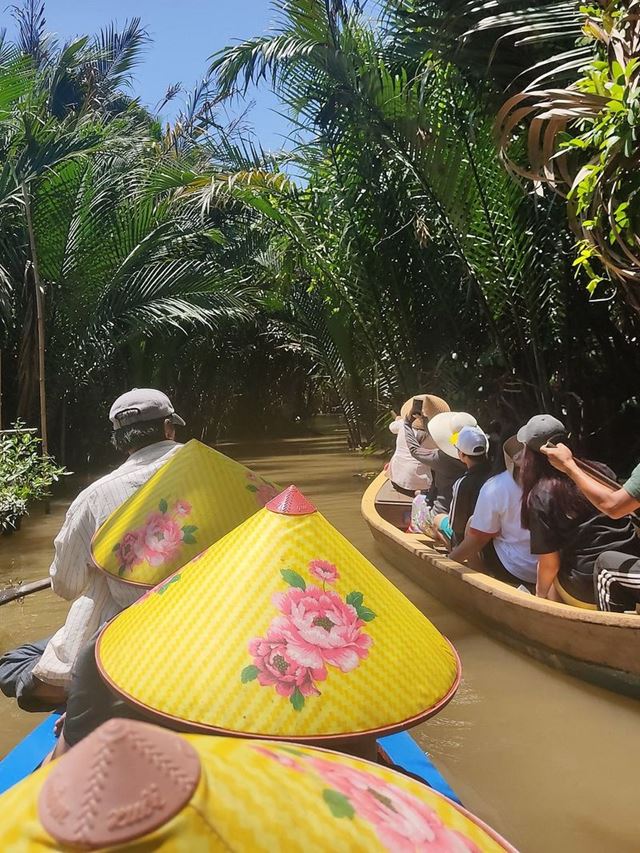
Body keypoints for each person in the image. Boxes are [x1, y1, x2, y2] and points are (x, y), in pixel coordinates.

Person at [0, 388, 184, 710]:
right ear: (169, 428)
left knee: (12, 663)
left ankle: (81, 701)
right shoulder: (222, 474)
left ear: (120, 441)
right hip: (205, 622)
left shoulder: (94, 497)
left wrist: (98, 562)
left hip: (126, 637)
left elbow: (65, 586)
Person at [518, 415, 640, 608]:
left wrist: (538, 598)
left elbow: (550, 565)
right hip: (631, 561)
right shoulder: (601, 470)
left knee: (552, 579)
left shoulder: (540, 495)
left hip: (591, 579)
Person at [541, 442, 640, 612]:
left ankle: (611, 636)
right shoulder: (604, 471)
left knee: (605, 568)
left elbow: (613, 507)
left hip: (578, 583)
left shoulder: (540, 494)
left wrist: (568, 465)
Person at [449, 437, 538, 585]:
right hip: (554, 568)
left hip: (515, 569)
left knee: (473, 525)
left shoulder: (497, 485)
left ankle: (482, 583)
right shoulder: (559, 480)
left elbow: (477, 540)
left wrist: (448, 562)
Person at [404, 411, 469, 536]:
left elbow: (414, 450)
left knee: (418, 499)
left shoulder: (442, 458)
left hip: (441, 516)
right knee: (422, 494)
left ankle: (417, 531)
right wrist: (424, 422)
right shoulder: (480, 458)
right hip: (465, 516)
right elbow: (443, 441)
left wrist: (407, 424)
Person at [433, 425, 492, 548]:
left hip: (470, 539)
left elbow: (456, 525)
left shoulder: (462, 483)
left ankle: (455, 554)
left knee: (438, 519)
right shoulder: (496, 475)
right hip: (491, 536)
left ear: (462, 454)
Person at [387, 400, 432, 496]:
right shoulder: (437, 434)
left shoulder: (402, 424)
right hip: (425, 485)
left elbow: (392, 427)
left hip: (398, 482)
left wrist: (399, 420)